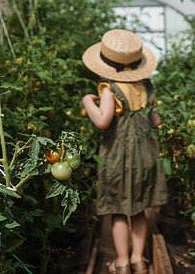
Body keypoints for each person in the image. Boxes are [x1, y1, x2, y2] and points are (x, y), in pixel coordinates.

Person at [82, 29, 169, 274]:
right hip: (146, 154)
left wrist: (89, 102)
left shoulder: (110, 89)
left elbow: (102, 121)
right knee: (140, 208)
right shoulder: (146, 86)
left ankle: (121, 262)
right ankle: (139, 260)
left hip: (118, 156)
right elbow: (156, 120)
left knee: (118, 210)